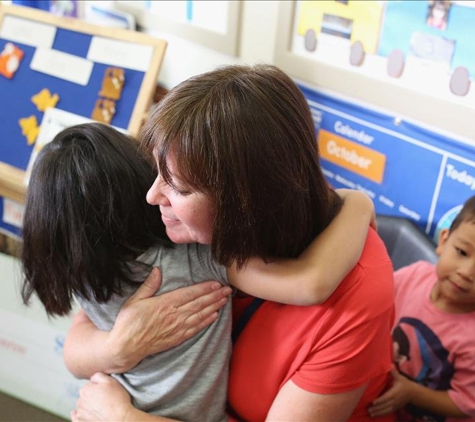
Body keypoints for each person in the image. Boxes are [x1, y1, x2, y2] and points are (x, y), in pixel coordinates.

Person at [68, 64, 395, 421]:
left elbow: (311, 284)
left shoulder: (358, 291)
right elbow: (78, 342)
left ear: (246, 201)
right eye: (156, 171)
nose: (151, 195)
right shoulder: (179, 225)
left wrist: (124, 418)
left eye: (178, 187)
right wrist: (118, 347)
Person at [21, 122, 375, 421]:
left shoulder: (87, 275)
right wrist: (359, 203)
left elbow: (76, 348)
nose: (156, 190)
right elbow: (308, 283)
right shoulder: (197, 258)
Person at [369, 196, 475, 421]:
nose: (466, 272)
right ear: (444, 240)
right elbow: (373, 304)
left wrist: (411, 393)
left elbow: (467, 404)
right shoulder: (414, 275)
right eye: (462, 252)